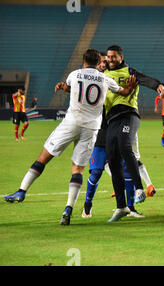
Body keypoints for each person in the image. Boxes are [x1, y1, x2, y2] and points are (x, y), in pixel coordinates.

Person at [3, 49, 138, 226]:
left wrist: (62, 87)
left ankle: (21, 191)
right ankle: (68, 208)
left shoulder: (75, 74)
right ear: (99, 62)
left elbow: (71, 88)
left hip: (72, 122)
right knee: (78, 170)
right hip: (91, 128)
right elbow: (124, 92)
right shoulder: (106, 79)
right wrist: (131, 86)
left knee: (43, 157)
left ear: (83, 61)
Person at [103, 45, 164, 222]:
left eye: (113, 57)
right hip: (112, 119)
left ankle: (139, 188)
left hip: (128, 115)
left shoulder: (129, 71)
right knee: (112, 160)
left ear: (121, 57)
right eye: (108, 57)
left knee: (124, 145)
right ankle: (121, 207)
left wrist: (159, 85)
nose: (110, 59)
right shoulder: (103, 76)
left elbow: (145, 79)